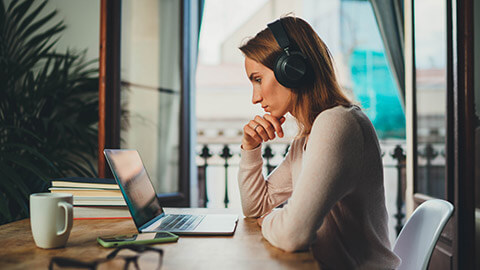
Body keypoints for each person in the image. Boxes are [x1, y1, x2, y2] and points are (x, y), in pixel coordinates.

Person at [237, 15, 401, 269]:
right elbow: (256, 207)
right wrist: (250, 147)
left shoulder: (338, 123)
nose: (255, 98)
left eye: (258, 79)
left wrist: (270, 221)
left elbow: (292, 235)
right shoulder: (308, 138)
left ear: (292, 69)